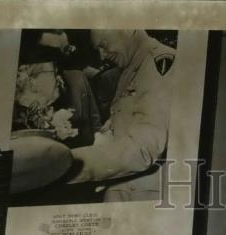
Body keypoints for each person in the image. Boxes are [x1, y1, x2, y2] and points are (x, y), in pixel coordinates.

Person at [66, 29, 175, 201]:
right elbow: (125, 118)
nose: (102, 56)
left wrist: (71, 164)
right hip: (125, 188)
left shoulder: (159, 62)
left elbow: (145, 147)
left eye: (104, 45)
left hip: (143, 194)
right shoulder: (131, 67)